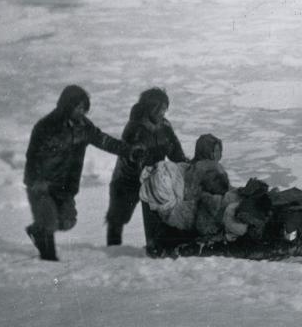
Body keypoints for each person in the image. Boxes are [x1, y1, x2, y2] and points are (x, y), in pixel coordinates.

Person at [24, 85, 145, 261]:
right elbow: (32, 156)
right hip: (42, 183)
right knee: (48, 222)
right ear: (67, 105)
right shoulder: (46, 126)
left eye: (83, 108)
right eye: (78, 107)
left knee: (67, 222)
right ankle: (49, 261)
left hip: (64, 185)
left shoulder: (83, 125)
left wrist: (129, 151)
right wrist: (36, 181)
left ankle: (36, 230)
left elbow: (103, 140)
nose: (82, 111)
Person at [105, 87, 187, 247]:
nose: (163, 112)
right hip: (127, 180)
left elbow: (174, 150)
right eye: (160, 108)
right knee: (118, 218)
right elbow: (132, 157)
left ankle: (155, 245)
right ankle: (113, 251)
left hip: (154, 178)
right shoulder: (135, 128)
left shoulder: (165, 126)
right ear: (150, 107)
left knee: (157, 213)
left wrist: (183, 164)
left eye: (165, 108)